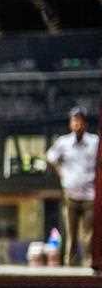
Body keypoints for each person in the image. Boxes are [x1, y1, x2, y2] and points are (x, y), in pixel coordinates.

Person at [46, 106, 99, 266]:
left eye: (80, 121)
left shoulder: (94, 141)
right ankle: (70, 265)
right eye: (74, 121)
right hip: (70, 194)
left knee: (88, 234)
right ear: (70, 124)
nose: (77, 124)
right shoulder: (64, 142)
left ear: (85, 123)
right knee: (71, 233)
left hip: (90, 194)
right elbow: (50, 157)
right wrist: (61, 172)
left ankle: (89, 265)